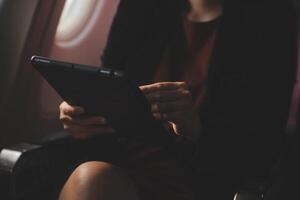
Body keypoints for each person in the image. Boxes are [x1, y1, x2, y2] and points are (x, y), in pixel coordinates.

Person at [58, 0, 297, 199]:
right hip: (125, 160)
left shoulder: (271, 19)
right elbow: (109, 85)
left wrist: (196, 127)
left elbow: (266, 148)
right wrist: (81, 113)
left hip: (205, 175)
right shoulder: (139, 7)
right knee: (89, 178)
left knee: (93, 180)